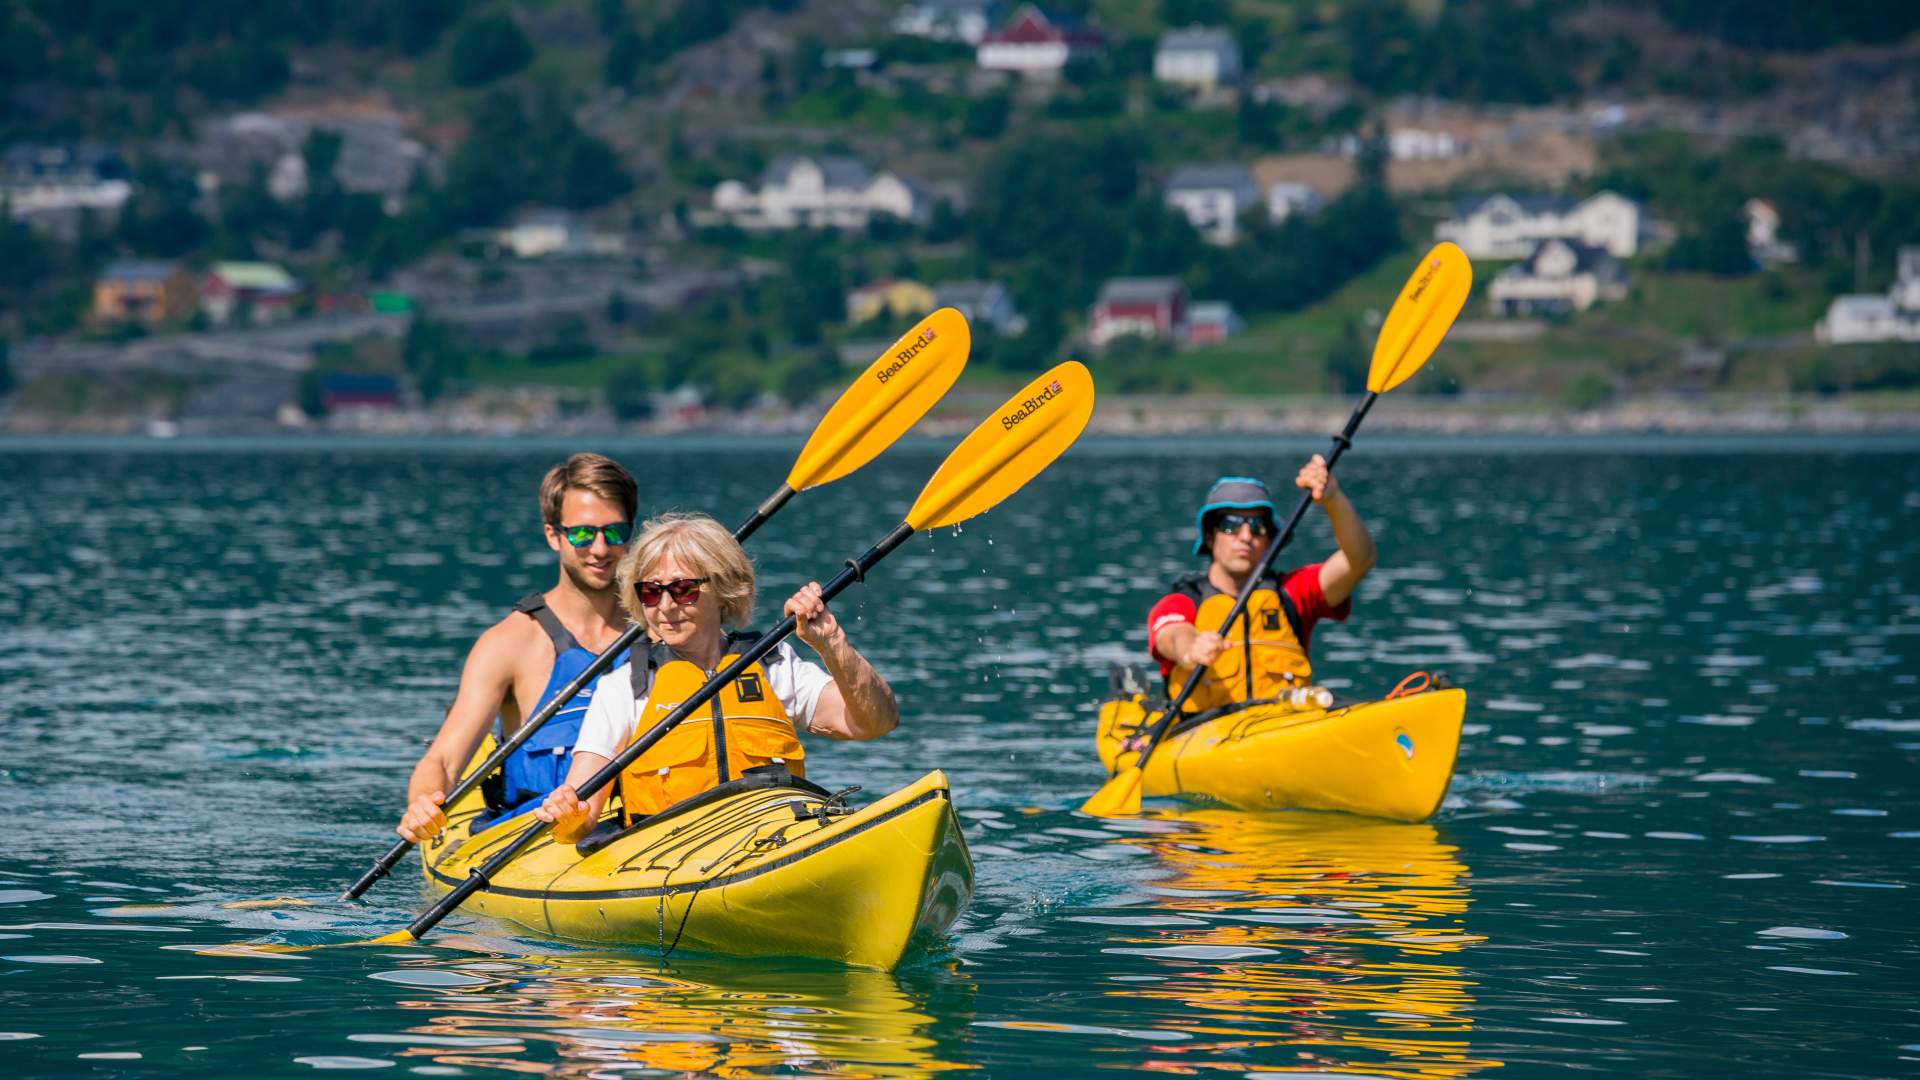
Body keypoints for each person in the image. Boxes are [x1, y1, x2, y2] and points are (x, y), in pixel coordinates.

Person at [535, 512, 898, 843]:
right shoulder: (626, 687)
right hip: (668, 860)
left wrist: (832, 644)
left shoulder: (773, 665)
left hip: (773, 844)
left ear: (723, 589)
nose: (664, 606)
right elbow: (584, 815)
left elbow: (874, 722)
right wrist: (569, 814)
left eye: (682, 590)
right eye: (650, 591)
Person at [394, 453, 640, 843]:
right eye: (581, 534)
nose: (599, 549)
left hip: (639, 827)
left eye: (614, 533)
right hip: (537, 839)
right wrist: (423, 803)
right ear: (552, 535)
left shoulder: (660, 628)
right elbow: (444, 757)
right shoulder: (510, 643)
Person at [1145, 457, 1376, 713]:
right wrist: (1190, 649)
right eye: (1230, 526)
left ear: (1269, 540)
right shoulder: (1182, 601)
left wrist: (1333, 500)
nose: (1246, 537)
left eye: (1258, 527)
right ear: (1210, 538)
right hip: (1204, 734)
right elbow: (1172, 635)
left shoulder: (1293, 592)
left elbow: (1359, 560)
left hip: (1283, 728)